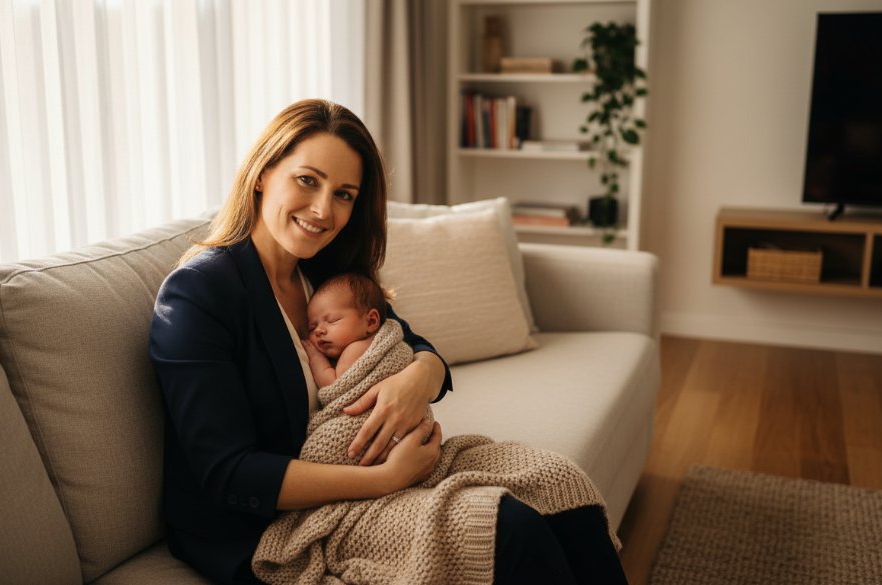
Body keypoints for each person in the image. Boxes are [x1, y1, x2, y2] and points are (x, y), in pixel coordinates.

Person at [149, 99, 626, 585]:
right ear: (261, 173)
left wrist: (419, 377)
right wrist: (386, 478)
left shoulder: (323, 272)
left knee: (557, 483)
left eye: (344, 194)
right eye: (307, 180)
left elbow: (412, 343)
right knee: (508, 530)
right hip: (268, 525)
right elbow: (229, 473)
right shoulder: (199, 293)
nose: (323, 210)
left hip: (370, 475)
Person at [302, 273, 386, 388]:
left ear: (371, 321)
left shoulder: (356, 348)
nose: (318, 330)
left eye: (332, 320)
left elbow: (336, 385)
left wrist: (315, 358)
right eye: (312, 328)